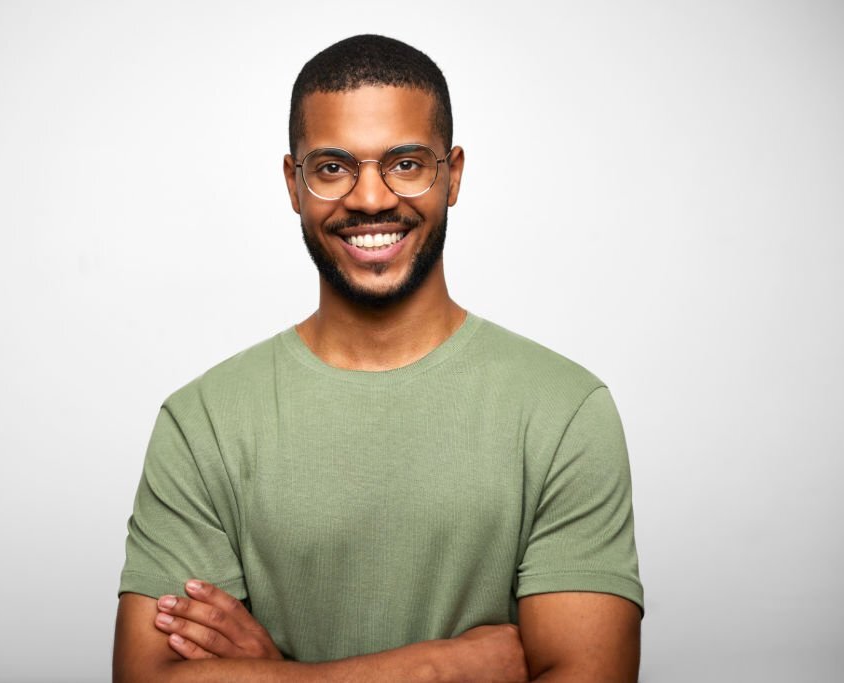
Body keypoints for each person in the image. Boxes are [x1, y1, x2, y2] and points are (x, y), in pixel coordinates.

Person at [113, 34, 643, 682]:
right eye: (333, 167)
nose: (370, 200)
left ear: (454, 175)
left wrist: (274, 674)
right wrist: (439, 667)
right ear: (293, 182)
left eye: (407, 163)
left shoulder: (564, 412)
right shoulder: (203, 424)